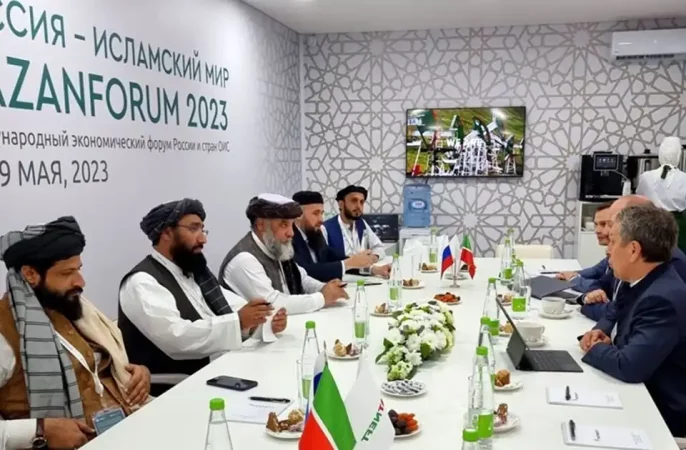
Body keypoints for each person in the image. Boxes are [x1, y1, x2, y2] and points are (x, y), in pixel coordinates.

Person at [0, 217, 151, 450]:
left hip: (131, 429)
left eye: (78, 269)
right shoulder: (4, 330)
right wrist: (39, 430)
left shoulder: (73, 308)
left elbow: (99, 366)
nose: (81, 282)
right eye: (67, 273)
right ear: (30, 274)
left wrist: (137, 374)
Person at [119, 199, 284, 396]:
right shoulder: (142, 282)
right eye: (193, 229)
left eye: (203, 230)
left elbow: (234, 306)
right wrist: (239, 322)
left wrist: (261, 321)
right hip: (177, 389)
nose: (203, 239)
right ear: (166, 233)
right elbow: (176, 338)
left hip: (219, 372)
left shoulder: (194, 273)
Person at [579, 205, 686, 437]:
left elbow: (629, 366)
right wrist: (600, 332)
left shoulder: (662, 298)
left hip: (661, 414)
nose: (608, 251)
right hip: (638, 394)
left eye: (613, 242)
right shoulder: (643, 280)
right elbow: (615, 312)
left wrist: (594, 348)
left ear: (634, 250)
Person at [220, 193, 349, 320]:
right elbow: (272, 304)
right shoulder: (245, 260)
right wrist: (322, 298)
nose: (291, 233)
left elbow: (302, 278)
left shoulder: (274, 246)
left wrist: (323, 287)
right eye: (283, 225)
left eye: (291, 225)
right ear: (261, 225)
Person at [580, 195, 686, 321]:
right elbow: (603, 284)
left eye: (611, 223)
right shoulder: (627, 258)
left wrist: (588, 306)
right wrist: (590, 297)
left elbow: (621, 313)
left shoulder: (667, 262)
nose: (606, 231)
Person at [292, 191, 389, 282]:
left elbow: (333, 258)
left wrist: (373, 270)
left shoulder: (315, 234)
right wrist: (349, 263)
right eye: (315, 213)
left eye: (321, 213)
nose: (321, 220)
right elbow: (306, 272)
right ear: (299, 215)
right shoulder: (290, 239)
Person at [322, 185, 390, 276]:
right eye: (354, 201)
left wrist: (372, 258)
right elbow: (327, 263)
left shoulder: (361, 223)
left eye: (361, 202)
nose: (359, 206)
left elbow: (378, 247)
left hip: (363, 275)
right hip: (340, 278)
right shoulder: (326, 228)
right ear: (341, 204)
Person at [637, 136, 686, 253]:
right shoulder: (684, 178)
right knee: (678, 256)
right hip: (677, 223)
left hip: (651, 222)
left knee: (652, 255)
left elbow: (639, 199)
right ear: (679, 155)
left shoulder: (646, 177)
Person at [556, 202, 612, 292]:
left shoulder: (624, 255)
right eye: (596, 224)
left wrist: (573, 278)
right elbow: (596, 271)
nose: (597, 230)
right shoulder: (611, 256)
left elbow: (603, 287)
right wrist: (571, 274)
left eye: (604, 224)